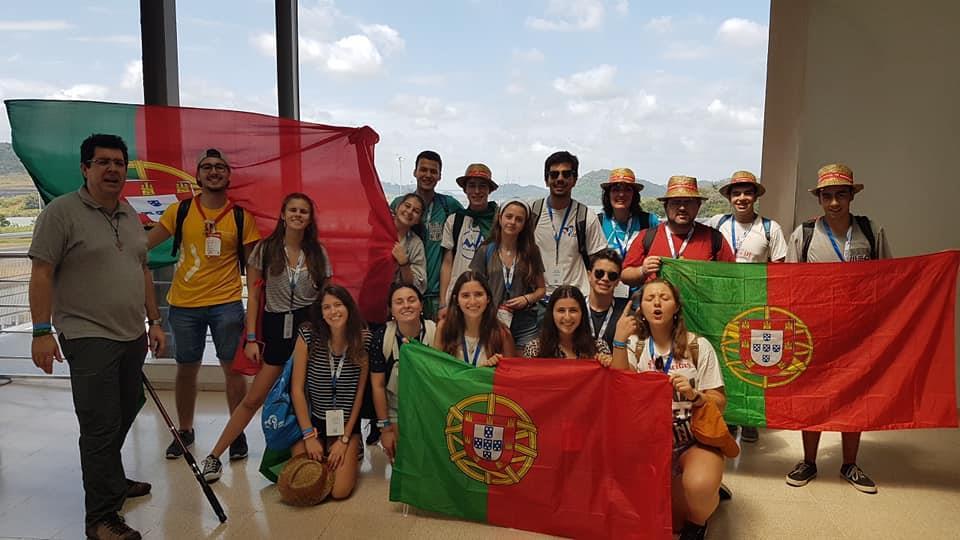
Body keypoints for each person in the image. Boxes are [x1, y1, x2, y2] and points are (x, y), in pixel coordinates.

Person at [28, 133, 165, 539]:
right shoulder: (61, 213)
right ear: (85, 169)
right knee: (100, 424)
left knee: (124, 411)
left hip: (130, 335)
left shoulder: (126, 211)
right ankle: (101, 518)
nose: (112, 169)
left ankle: (112, 479)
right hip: (88, 335)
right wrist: (40, 332)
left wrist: (154, 321)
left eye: (119, 163)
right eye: (102, 162)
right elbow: (42, 272)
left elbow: (141, 270)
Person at [200, 193, 332, 482]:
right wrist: (250, 337)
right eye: (293, 210)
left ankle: (316, 451)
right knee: (253, 398)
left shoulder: (318, 253)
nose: (298, 215)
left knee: (310, 397)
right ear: (283, 215)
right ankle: (213, 456)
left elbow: (327, 298)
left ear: (310, 218)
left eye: (304, 211)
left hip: (307, 330)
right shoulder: (265, 249)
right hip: (275, 328)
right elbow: (256, 297)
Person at [147, 149, 261, 461]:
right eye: (207, 167)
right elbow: (143, 245)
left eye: (220, 167)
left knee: (232, 372)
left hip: (226, 305)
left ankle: (235, 433)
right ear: (197, 176)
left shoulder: (240, 217)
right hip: (183, 306)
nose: (213, 172)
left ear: (228, 176)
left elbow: (253, 271)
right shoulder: (180, 212)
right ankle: (185, 430)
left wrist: (252, 318)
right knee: (186, 370)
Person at [784, 163, 891, 494]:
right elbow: (791, 286)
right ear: (819, 199)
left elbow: (888, 278)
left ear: (850, 197)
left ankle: (849, 464)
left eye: (840, 195)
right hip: (815, 331)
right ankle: (809, 462)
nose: (834, 203)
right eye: (827, 196)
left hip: (859, 333)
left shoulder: (871, 230)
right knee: (811, 397)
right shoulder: (803, 234)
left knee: (856, 395)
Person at [610, 279, 726, 540]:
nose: (657, 302)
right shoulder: (635, 345)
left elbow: (719, 401)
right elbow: (619, 389)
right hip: (646, 441)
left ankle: (698, 522)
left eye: (664, 297)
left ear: (676, 307)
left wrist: (695, 395)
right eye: (650, 298)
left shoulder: (698, 346)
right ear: (642, 309)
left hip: (692, 440)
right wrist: (618, 340)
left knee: (699, 487)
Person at [706, 170, 788, 444]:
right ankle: (729, 417)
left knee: (752, 363)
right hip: (722, 305)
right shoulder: (716, 224)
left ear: (755, 196)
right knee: (725, 360)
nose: (742, 198)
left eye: (747, 193)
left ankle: (749, 419)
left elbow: (779, 271)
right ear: (729, 197)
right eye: (736, 193)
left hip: (755, 307)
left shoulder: (770, 228)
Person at [290, 285, 370, 500]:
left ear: (349, 308)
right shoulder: (308, 336)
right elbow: (297, 389)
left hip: (344, 425)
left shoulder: (363, 339)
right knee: (304, 483)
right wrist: (308, 436)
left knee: (339, 491)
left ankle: (353, 446)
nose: (333, 311)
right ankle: (319, 446)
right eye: (327, 307)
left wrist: (344, 440)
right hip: (313, 423)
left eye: (338, 305)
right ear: (321, 313)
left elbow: (359, 396)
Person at [621, 175, 735, 286]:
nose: (682, 208)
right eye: (676, 202)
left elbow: (733, 277)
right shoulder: (647, 236)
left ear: (698, 206)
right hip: (657, 304)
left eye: (688, 202)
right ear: (666, 206)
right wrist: (642, 270)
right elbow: (625, 275)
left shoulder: (714, 238)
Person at [391, 150, 463, 319]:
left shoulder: (448, 205)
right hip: (403, 295)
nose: (428, 175)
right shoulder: (399, 204)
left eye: (433, 171)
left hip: (437, 296)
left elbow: (474, 217)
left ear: (439, 176)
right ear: (415, 172)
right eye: (423, 169)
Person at [370, 283, 438, 463]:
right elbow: (377, 386)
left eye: (411, 300)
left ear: (421, 305)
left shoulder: (436, 332)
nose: (406, 305)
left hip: (430, 409)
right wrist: (385, 429)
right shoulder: (382, 337)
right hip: (396, 409)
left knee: (430, 463)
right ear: (391, 309)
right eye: (399, 302)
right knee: (404, 462)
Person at [530, 151, 606, 303]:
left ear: (574, 180)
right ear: (546, 180)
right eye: (554, 174)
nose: (560, 179)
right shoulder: (532, 213)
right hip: (538, 299)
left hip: (576, 299)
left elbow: (598, 261)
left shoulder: (586, 216)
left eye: (566, 174)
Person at [469, 200, 546, 348]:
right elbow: (474, 288)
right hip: (492, 319)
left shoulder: (531, 252)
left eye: (519, 219)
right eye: (509, 216)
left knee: (525, 368)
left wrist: (526, 298)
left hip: (525, 322)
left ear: (524, 224)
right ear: (500, 218)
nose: (512, 222)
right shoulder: (485, 250)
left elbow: (541, 289)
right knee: (495, 364)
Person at [438, 163, 498, 319]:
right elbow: (447, 262)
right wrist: (443, 302)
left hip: (489, 297)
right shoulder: (455, 220)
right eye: (472, 186)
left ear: (489, 190)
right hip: (458, 297)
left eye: (482, 186)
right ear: (465, 189)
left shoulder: (499, 221)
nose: (477, 191)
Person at [598, 167, 659, 300]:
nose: (621, 194)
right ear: (608, 195)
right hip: (606, 294)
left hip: (641, 295)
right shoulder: (598, 222)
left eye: (627, 189)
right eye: (616, 189)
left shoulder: (649, 221)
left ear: (634, 195)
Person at [434, 271, 516, 366]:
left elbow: (511, 374)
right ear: (456, 300)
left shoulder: (502, 333)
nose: (472, 301)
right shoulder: (444, 328)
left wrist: (494, 368)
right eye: (465, 296)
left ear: (488, 298)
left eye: (478, 294)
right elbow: (436, 370)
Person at [522, 285, 611, 360]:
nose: (567, 317)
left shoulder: (599, 347)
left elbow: (610, 379)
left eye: (573, 310)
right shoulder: (535, 349)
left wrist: (608, 364)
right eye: (561, 310)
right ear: (551, 313)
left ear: (582, 313)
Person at [585, 249, 629, 350]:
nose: (605, 278)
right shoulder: (575, 308)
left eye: (612, 276)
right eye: (599, 273)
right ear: (589, 275)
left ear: (618, 281)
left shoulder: (626, 313)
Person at [392, 193, 427, 292]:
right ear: (397, 207)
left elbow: (417, 286)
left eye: (416, 211)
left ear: (418, 220)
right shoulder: (378, 230)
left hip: (396, 299)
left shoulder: (416, 244)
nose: (410, 211)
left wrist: (404, 263)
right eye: (407, 206)